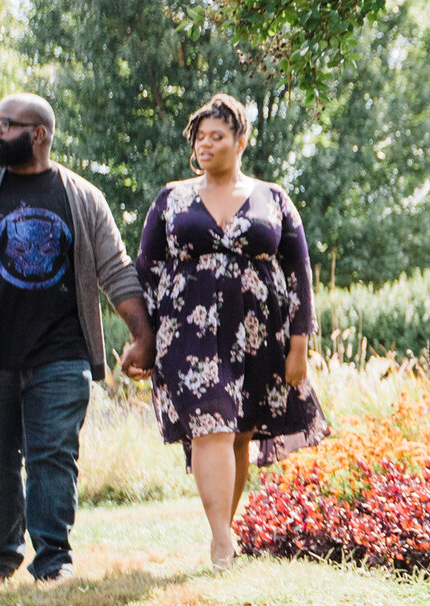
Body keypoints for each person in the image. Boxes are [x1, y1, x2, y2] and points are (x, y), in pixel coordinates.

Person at [0, 93, 155, 581]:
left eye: (7, 125)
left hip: (62, 352)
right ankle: (0, 558)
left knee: (54, 456)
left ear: (40, 134)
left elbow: (115, 268)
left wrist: (142, 335)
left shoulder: (83, 197)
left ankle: (54, 561)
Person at [121, 93, 327, 567]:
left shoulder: (273, 197)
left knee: (239, 432)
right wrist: (144, 338)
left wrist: (300, 343)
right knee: (210, 424)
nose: (205, 145)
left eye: (217, 136)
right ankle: (221, 540)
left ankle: (224, 533)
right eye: (199, 138)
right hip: (187, 330)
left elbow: (298, 271)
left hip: (258, 331)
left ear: (240, 140)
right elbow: (147, 268)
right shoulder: (171, 199)